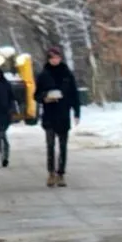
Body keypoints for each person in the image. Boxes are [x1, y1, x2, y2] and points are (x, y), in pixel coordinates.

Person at [35, 46, 81, 187]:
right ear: (48, 59)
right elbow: (36, 95)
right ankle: (51, 173)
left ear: (60, 58)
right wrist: (45, 97)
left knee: (63, 145)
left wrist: (77, 112)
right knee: (50, 145)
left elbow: (74, 94)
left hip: (63, 113)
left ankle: (61, 173)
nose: (55, 60)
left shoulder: (67, 74)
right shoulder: (43, 75)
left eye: (57, 57)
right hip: (49, 113)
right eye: (52, 58)